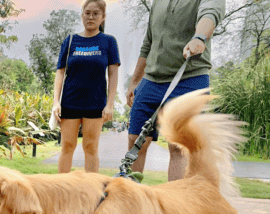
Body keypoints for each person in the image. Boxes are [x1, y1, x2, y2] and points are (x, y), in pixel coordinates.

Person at [126, 0, 225, 181]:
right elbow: (148, 43)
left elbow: (210, 13)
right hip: (151, 80)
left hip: (189, 78)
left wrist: (199, 37)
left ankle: (176, 206)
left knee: (179, 147)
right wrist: (134, 82)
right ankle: (131, 201)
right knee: (135, 140)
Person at [52, 0, 120, 173]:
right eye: (87, 13)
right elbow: (60, 72)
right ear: (82, 15)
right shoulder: (71, 40)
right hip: (70, 102)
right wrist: (56, 102)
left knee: (90, 148)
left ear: (103, 17)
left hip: (95, 103)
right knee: (67, 146)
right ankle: (62, 189)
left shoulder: (109, 41)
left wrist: (110, 104)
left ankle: (91, 192)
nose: (91, 17)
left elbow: (113, 74)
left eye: (96, 13)